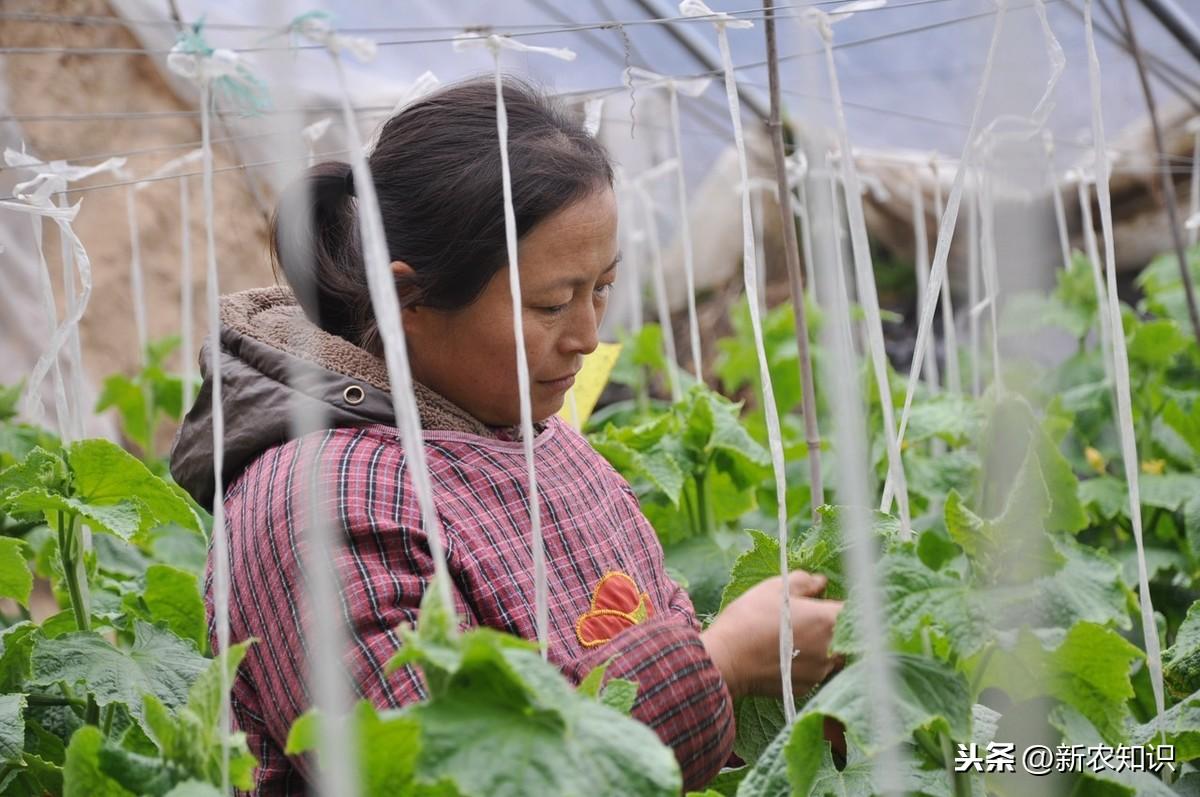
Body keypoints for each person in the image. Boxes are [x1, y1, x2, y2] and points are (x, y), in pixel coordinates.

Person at [170, 76, 843, 795]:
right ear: (409, 300)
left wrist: (784, 696)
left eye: (603, 287)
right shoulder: (314, 503)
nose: (588, 336)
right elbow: (442, 776)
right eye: (553, 303)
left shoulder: (539, 434)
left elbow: (640, 657)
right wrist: (717, 663)